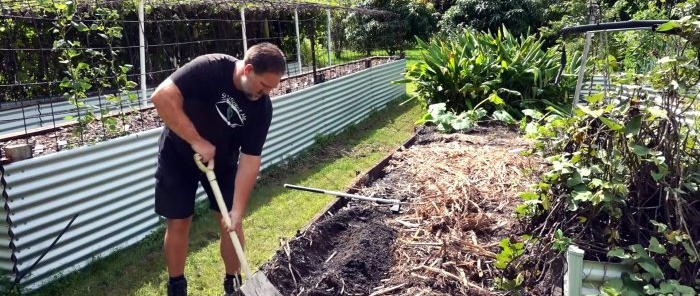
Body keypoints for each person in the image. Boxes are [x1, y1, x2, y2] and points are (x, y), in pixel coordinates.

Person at [150, 43, 286, 296]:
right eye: (264, 85)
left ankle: (232, 284)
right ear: (247, 69)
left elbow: (250, 160)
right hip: (178, 154)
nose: (267, 92)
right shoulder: (210, 68)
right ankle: (177, 286)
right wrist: (196, 140)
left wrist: (237, 209)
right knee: (179, 222)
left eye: (272, 88)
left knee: (230, 223)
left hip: (223, 163)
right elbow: (161, 96)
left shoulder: (262, 108)